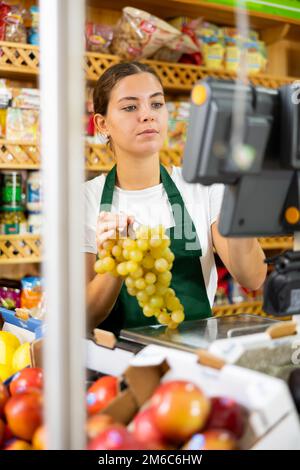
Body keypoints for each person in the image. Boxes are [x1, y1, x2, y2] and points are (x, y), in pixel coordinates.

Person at [84, 61, 267, 333]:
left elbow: (253, 277)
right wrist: (115, 263)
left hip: (194, 358)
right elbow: (82, 319)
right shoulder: (84, 200)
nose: (147, 115)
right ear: (102, 124)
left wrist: (238, 198)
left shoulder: (203, 187)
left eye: (156, 104)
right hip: (116, 363)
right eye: (130, 107)